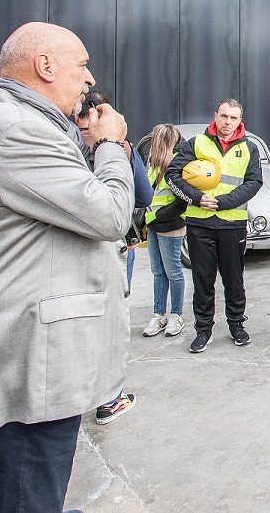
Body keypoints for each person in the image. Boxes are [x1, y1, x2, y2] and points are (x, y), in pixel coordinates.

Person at [0, 22, 134, 513]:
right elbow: (109, 214)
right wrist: (110, 146)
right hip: (19, 373)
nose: (89, 79)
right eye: (81, 65)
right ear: (45, 66)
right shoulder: (17, 130)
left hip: (31, 370)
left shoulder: (19, 123)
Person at [73, 90, 152, 427]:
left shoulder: (73, 148)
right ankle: (106, 397)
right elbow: (143, 195)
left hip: (105, 247)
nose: (89, 136)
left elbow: (145, 196)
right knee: (104, 321)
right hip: (103, 246)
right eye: (84, 130)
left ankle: (98, 396)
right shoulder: (113, 149)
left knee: (96, 321)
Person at [167, 99, 264, 353]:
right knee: (203, 280)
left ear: (240, 120)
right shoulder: (197, 143)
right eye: (224, 116)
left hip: (232, 224)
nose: (228, 122)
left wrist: (222, 203)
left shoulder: (249, 148)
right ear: (215, 116)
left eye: (233, 118)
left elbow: (254, 182)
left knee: (234, 279)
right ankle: (203, 330)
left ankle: (237, 325)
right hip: (200, 224)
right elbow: (172, 175)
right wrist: (197, 198)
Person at [74, 90, 154, 299]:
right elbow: (145, 197)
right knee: (117, 305)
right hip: (118, 242)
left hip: (76, 245)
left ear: (76, 117)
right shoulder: (122, 147)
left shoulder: (65, 143)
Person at [142, 124, 188, 339]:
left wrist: (156, 217)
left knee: (173, 272)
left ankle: (176, 315)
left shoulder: (178, 165)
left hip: (170, 225)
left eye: (155, 140)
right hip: (154, 224)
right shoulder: (155, 163)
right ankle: (159, 315)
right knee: (158, 272)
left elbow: (182, 202)